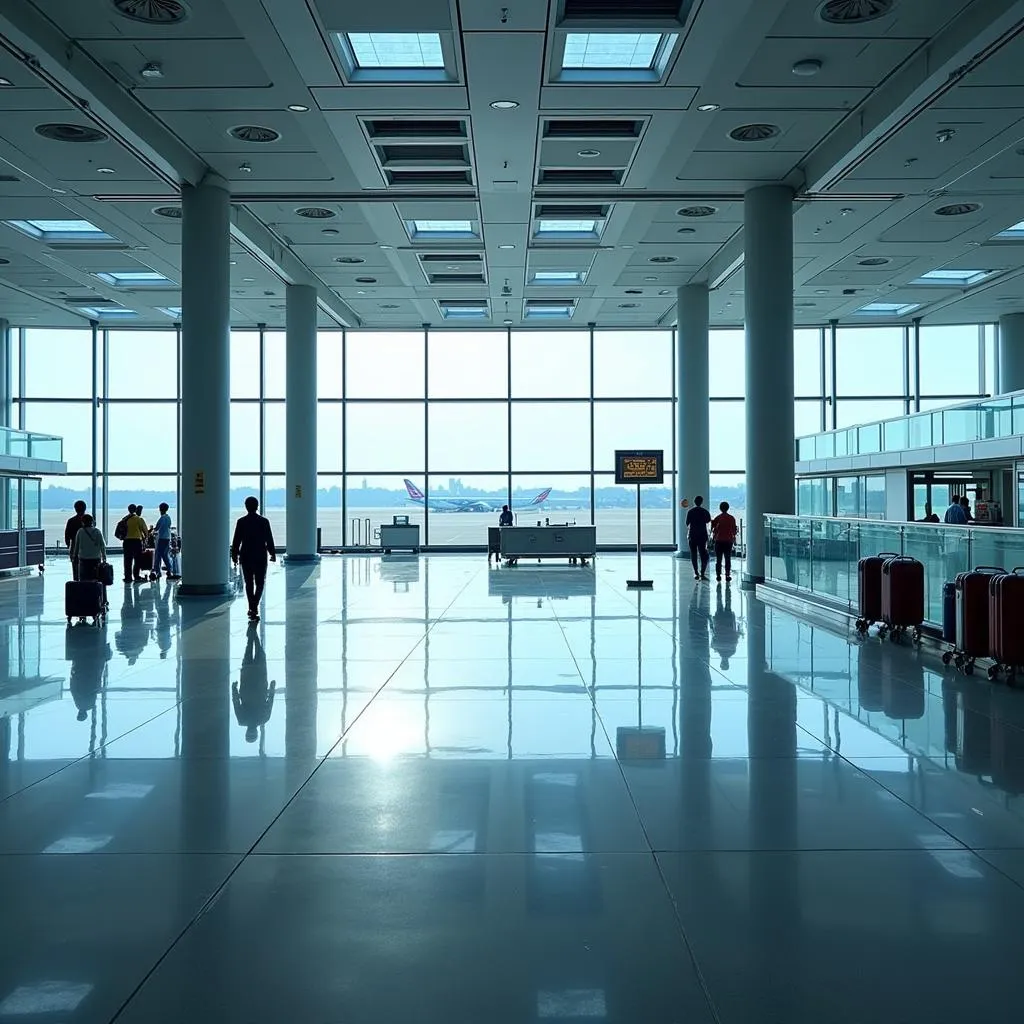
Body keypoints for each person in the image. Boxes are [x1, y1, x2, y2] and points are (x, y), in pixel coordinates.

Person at [231, 496, 277, 621]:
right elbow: (269, 539)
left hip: (246, 555)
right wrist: (272, 553)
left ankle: (252, 606)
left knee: (249, 583)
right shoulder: (264, 521)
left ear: (246, 507)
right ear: (257, 506)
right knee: (260, 582)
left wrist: (234, 555)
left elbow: (236, 541)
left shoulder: (241, 522)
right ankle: (254, 606)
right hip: (260, 555)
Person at [232, 624, 276, 744]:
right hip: (252, 677)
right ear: (256, 733)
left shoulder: (262, 719)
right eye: (252, 734)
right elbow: (270, 701)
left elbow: (270, 701)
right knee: (253, 648)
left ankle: (252, 631)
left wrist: (234, 689)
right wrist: (272, 688)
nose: (251, 732)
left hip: (255, 677)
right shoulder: (247, 720)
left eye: (249, 734)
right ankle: (252, 631)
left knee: (254, 649)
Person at [70, 514, 106, 583]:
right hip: (96, 558)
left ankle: (85, 591)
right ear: (92, 521)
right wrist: (104, 556)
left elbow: (77, 545)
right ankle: (95, 592)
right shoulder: (97, 531)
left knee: (84, 578)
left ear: (83, 522)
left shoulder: (80, 531)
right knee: (95, 577)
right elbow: (102, 545)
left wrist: (75, 556)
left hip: (84, 558)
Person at [685, 495, 712, 581]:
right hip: (702, 535)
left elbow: (687, 523)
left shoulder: (690, 511)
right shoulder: (705, 511)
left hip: (692, 535)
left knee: (693, 554)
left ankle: (696, 572)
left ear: (694, 502)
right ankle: (702, 572)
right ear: (701, 502)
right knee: (703, 554)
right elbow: (708, 520)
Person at [711, 500, 738, 582]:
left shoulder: (718, 518)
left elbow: (713, 529)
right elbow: (734, 530)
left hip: (719, 540)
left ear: (720, 508)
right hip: (728, 541)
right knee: (727, 558)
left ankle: (718, 575)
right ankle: (727, 575)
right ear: (728, 508)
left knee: (718, 559)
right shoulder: (732, 518)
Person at [120, 504, 149, 581]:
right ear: (135, 510)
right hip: (136, 541)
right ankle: (136, 576)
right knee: (137, 560)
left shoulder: (125, 519)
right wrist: (145, 539)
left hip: (126, 542)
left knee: (127, 560)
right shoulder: (139, 519)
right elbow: (145, 531)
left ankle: (128, 577)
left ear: (128, 510)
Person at [64, 500, 88, 580]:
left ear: (75, 509)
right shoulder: (89, 520)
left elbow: (67, 534)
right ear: (85, 508)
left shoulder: (71, 521)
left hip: (74, 546)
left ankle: (77, 582)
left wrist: (68, 545)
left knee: (75, 566)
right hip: (87, 546)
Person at [152, 502, 176, 579]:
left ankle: (164, 570)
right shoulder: (168, 517)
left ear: (160, 509)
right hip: (167, 538)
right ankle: (165, 570)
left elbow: (157, 528)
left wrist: (152, 529)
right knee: (164, 554)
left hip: (162, 538)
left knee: (160, 555)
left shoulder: (162, 518)